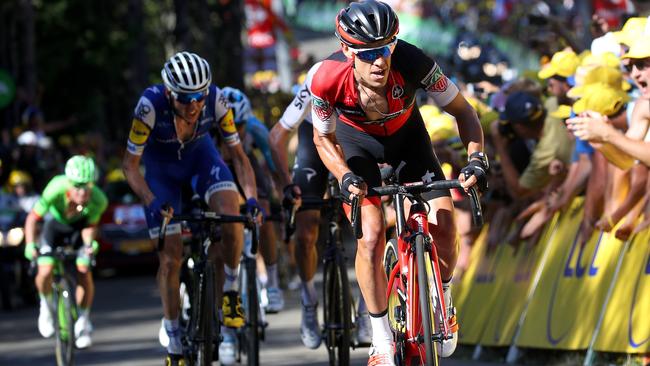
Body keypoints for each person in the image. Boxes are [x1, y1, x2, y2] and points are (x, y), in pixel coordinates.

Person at [309, 1, 487, 363]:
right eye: (369, 52)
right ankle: (380, 336)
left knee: (445, 224)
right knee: (371, 236)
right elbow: (323, 139)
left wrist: (476, 159)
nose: (380, 60)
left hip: (409, 141)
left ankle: (445, 298)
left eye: (387, 47)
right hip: (358, 147)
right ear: (347, 50)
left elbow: (463, 112)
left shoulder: (413, 61)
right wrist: (344, 176)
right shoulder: (326, 78)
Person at [121, 52, 259, 366]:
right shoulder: (149, 107)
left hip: (201, 161)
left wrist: (250, 199)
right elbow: (129, 166)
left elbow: (239, 157)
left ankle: (231, 292)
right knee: (170, 258)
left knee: (231, 212)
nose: (194, 105)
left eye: (199, 96)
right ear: (170, 93)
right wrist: (151, 200)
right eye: (185, 99)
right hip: (162, 173)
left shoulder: (217, 100)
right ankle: (173, 340)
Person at [268, 66, 372, 349]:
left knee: (372, 230)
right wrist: (287, 184)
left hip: (352, 145)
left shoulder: (373, 74)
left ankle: (366, 312)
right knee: (306, 230)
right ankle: (308, 301)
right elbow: (277, 135)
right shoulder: (318, 78)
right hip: (313, 144)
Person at [23, 155, 107, 349]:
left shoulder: (98, 199)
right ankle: (45, 305)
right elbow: (32, 219)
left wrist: (89, 244)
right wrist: (29, 244)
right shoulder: (55, 188)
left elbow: (90, 227)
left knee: (84, 270)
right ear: (68, 182)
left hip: (79, 230)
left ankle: (84, 321)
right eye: (77, 186)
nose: (82, 191)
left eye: (87, 185)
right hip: (55, 228)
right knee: (45, 270)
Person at [220, 86, 285, 313]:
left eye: (239, 126)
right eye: (230, 126)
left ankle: (273, 283)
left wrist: (281, 191)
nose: (234, 131)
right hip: (221, 168)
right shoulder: (210, 128)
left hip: (246, 165)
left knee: (264, 217)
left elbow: (273, 162)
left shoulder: (256, 129)